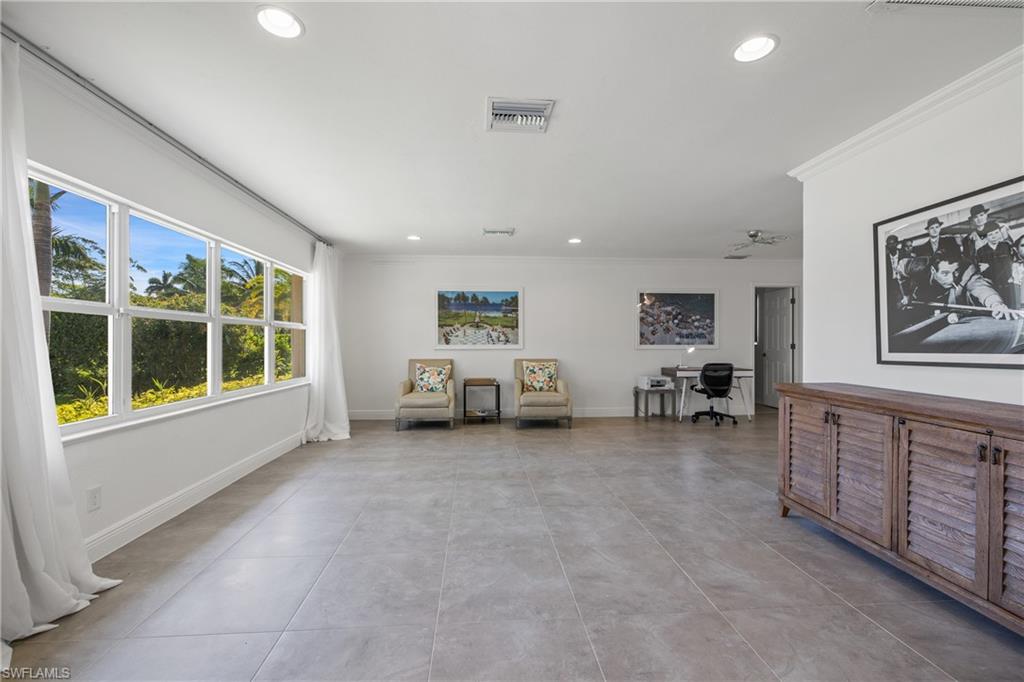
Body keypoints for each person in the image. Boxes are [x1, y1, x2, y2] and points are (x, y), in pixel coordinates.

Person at [899, 247, 1021, 324]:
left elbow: (980, 287)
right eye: (945, 273)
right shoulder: (918, 267)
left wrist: (996, 304)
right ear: (932, 270)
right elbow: (900, 267)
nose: (952, 278)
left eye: (955, 272)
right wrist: (906, 294)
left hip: (954, 307)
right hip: (924, 302)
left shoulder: (967, 272)